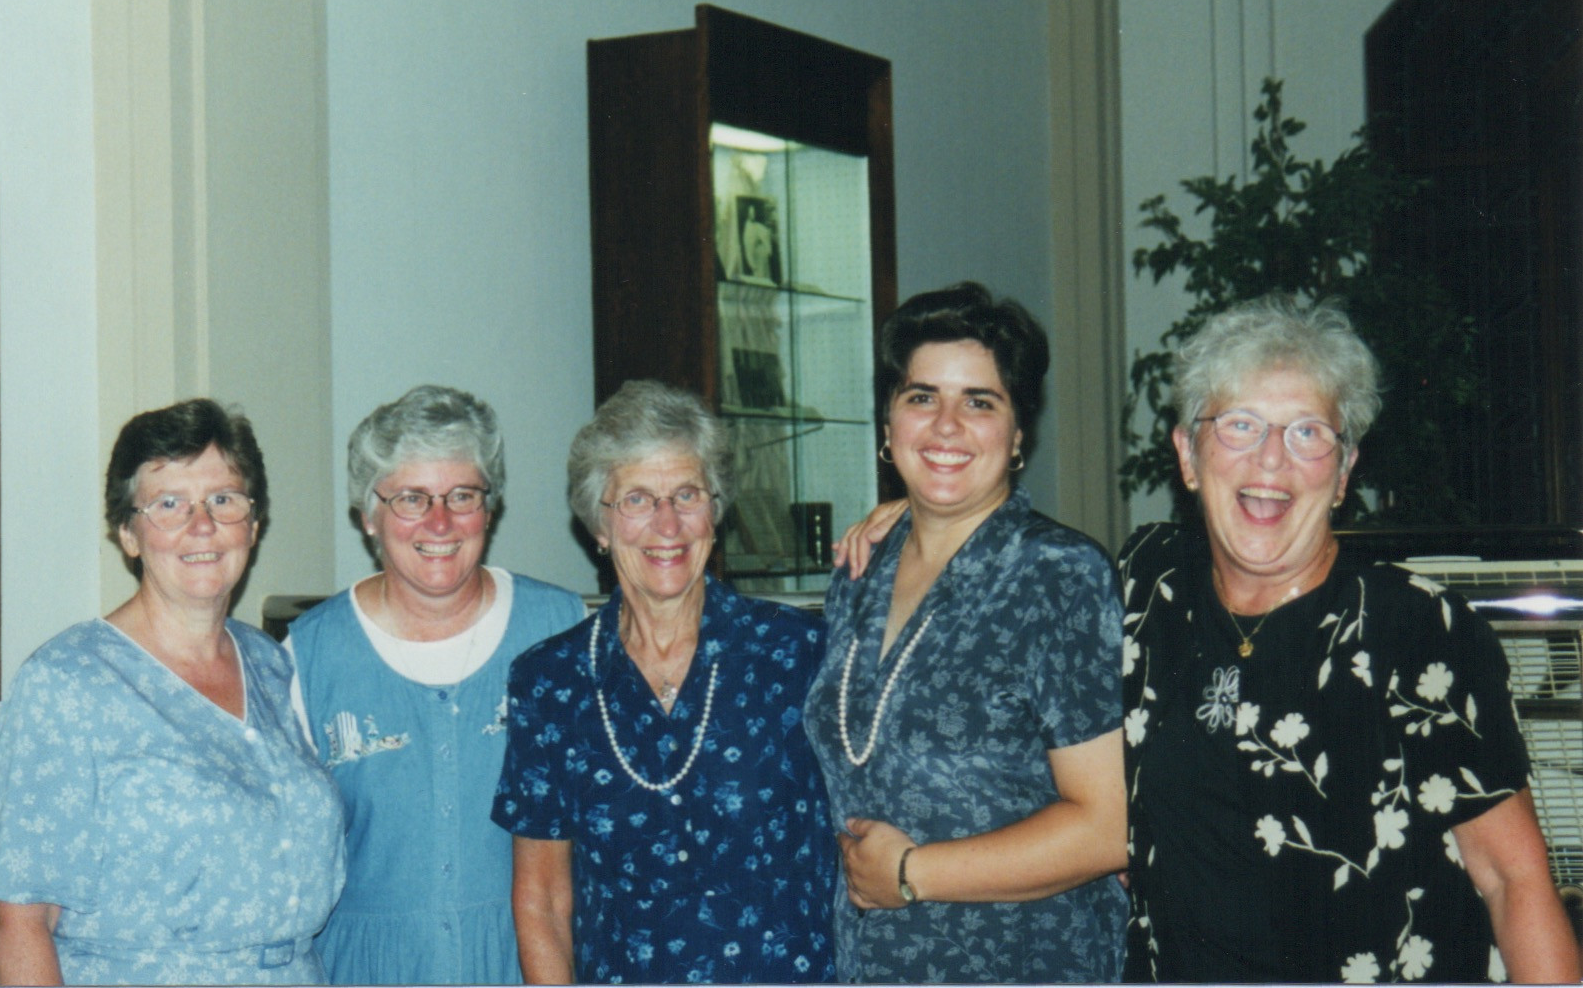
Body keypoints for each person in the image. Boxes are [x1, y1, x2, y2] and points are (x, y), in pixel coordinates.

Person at [1118, 295, 1579, 982]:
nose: (1270, 459)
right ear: (1187, 453)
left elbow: (1511, 879)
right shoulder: (1145, 583)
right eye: (1238, 424)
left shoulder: (1419, 628)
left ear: (1342, 472)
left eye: (1307, 432)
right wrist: (914, 530)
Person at [807, 282, 1127, 983]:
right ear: (888, 425)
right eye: (921, 396)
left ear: (1017, 436)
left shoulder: (1057, 576)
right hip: (873, 962)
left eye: (979, 401)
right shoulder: (859, 569)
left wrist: (913, 872)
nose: (945, 424)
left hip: (1024, 958)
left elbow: (1104, 827)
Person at [0, 399, 346, 986]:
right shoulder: (68, 683)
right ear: (128, 533)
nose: (201, 526)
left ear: (253, 524)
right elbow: (15, 918)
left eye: (223, 499)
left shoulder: (273, 666)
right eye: (168, 504)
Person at [493, 379, 836, 983]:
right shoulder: (550, 682)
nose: (668, 523)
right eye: (637, 500)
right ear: (599, 526)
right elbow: (542, 898)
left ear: (715, 509)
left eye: (686, 494)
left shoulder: (797, 653)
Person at [285, 386, 583, 984]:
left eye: (462, 496)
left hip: (528, 964)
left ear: (489, 508)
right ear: (368, 515)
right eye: (411, 499)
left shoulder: (562, 627)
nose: (440, 521)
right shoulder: (308, 654)